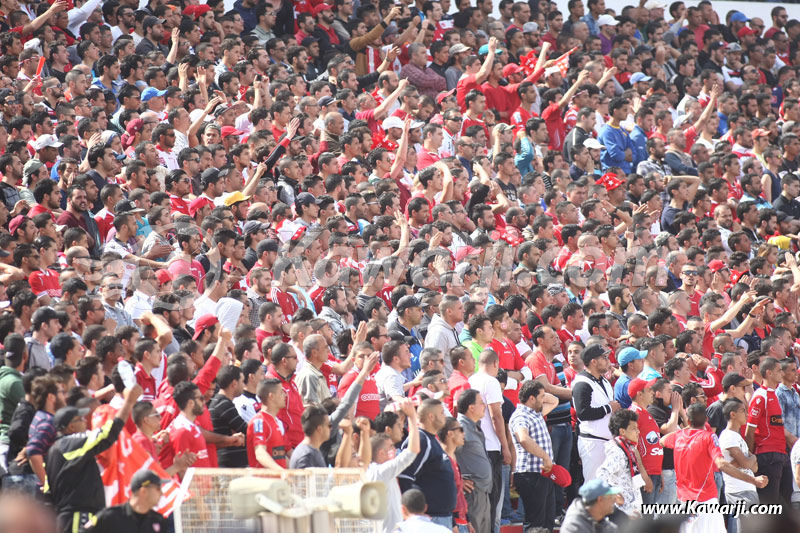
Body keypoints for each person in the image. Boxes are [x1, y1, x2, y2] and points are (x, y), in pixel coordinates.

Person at [45, 384, 142, 533]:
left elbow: (47, 491)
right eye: (80, 419)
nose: (85, 422)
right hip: (78, 517)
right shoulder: (70, 443)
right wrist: (128, 402)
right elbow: (107, 433)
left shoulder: (54, 451)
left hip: (67, 517)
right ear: (71, 427)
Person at [509, 379, 559, 531]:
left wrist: (539, 390)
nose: (544, 399)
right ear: (531, 398)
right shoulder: (521, 416)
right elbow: (523, 438)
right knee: (535, 523)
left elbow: (554, 400)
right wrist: (545, 456)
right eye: (541, 396)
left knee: (547, 521)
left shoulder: (536, 412)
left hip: (543, 473)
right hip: (531, 474)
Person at [366, 398, 420, 533]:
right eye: (390, 447)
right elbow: (412, 452)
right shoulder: (380, 471)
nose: (394, 450)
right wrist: (412, 417)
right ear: (380, 453)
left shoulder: (378, 470)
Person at [89, 470, 170, 533]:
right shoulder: (109, 517)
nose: (161, 493)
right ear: (143, 491)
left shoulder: (158, 520)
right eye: (158, 489)